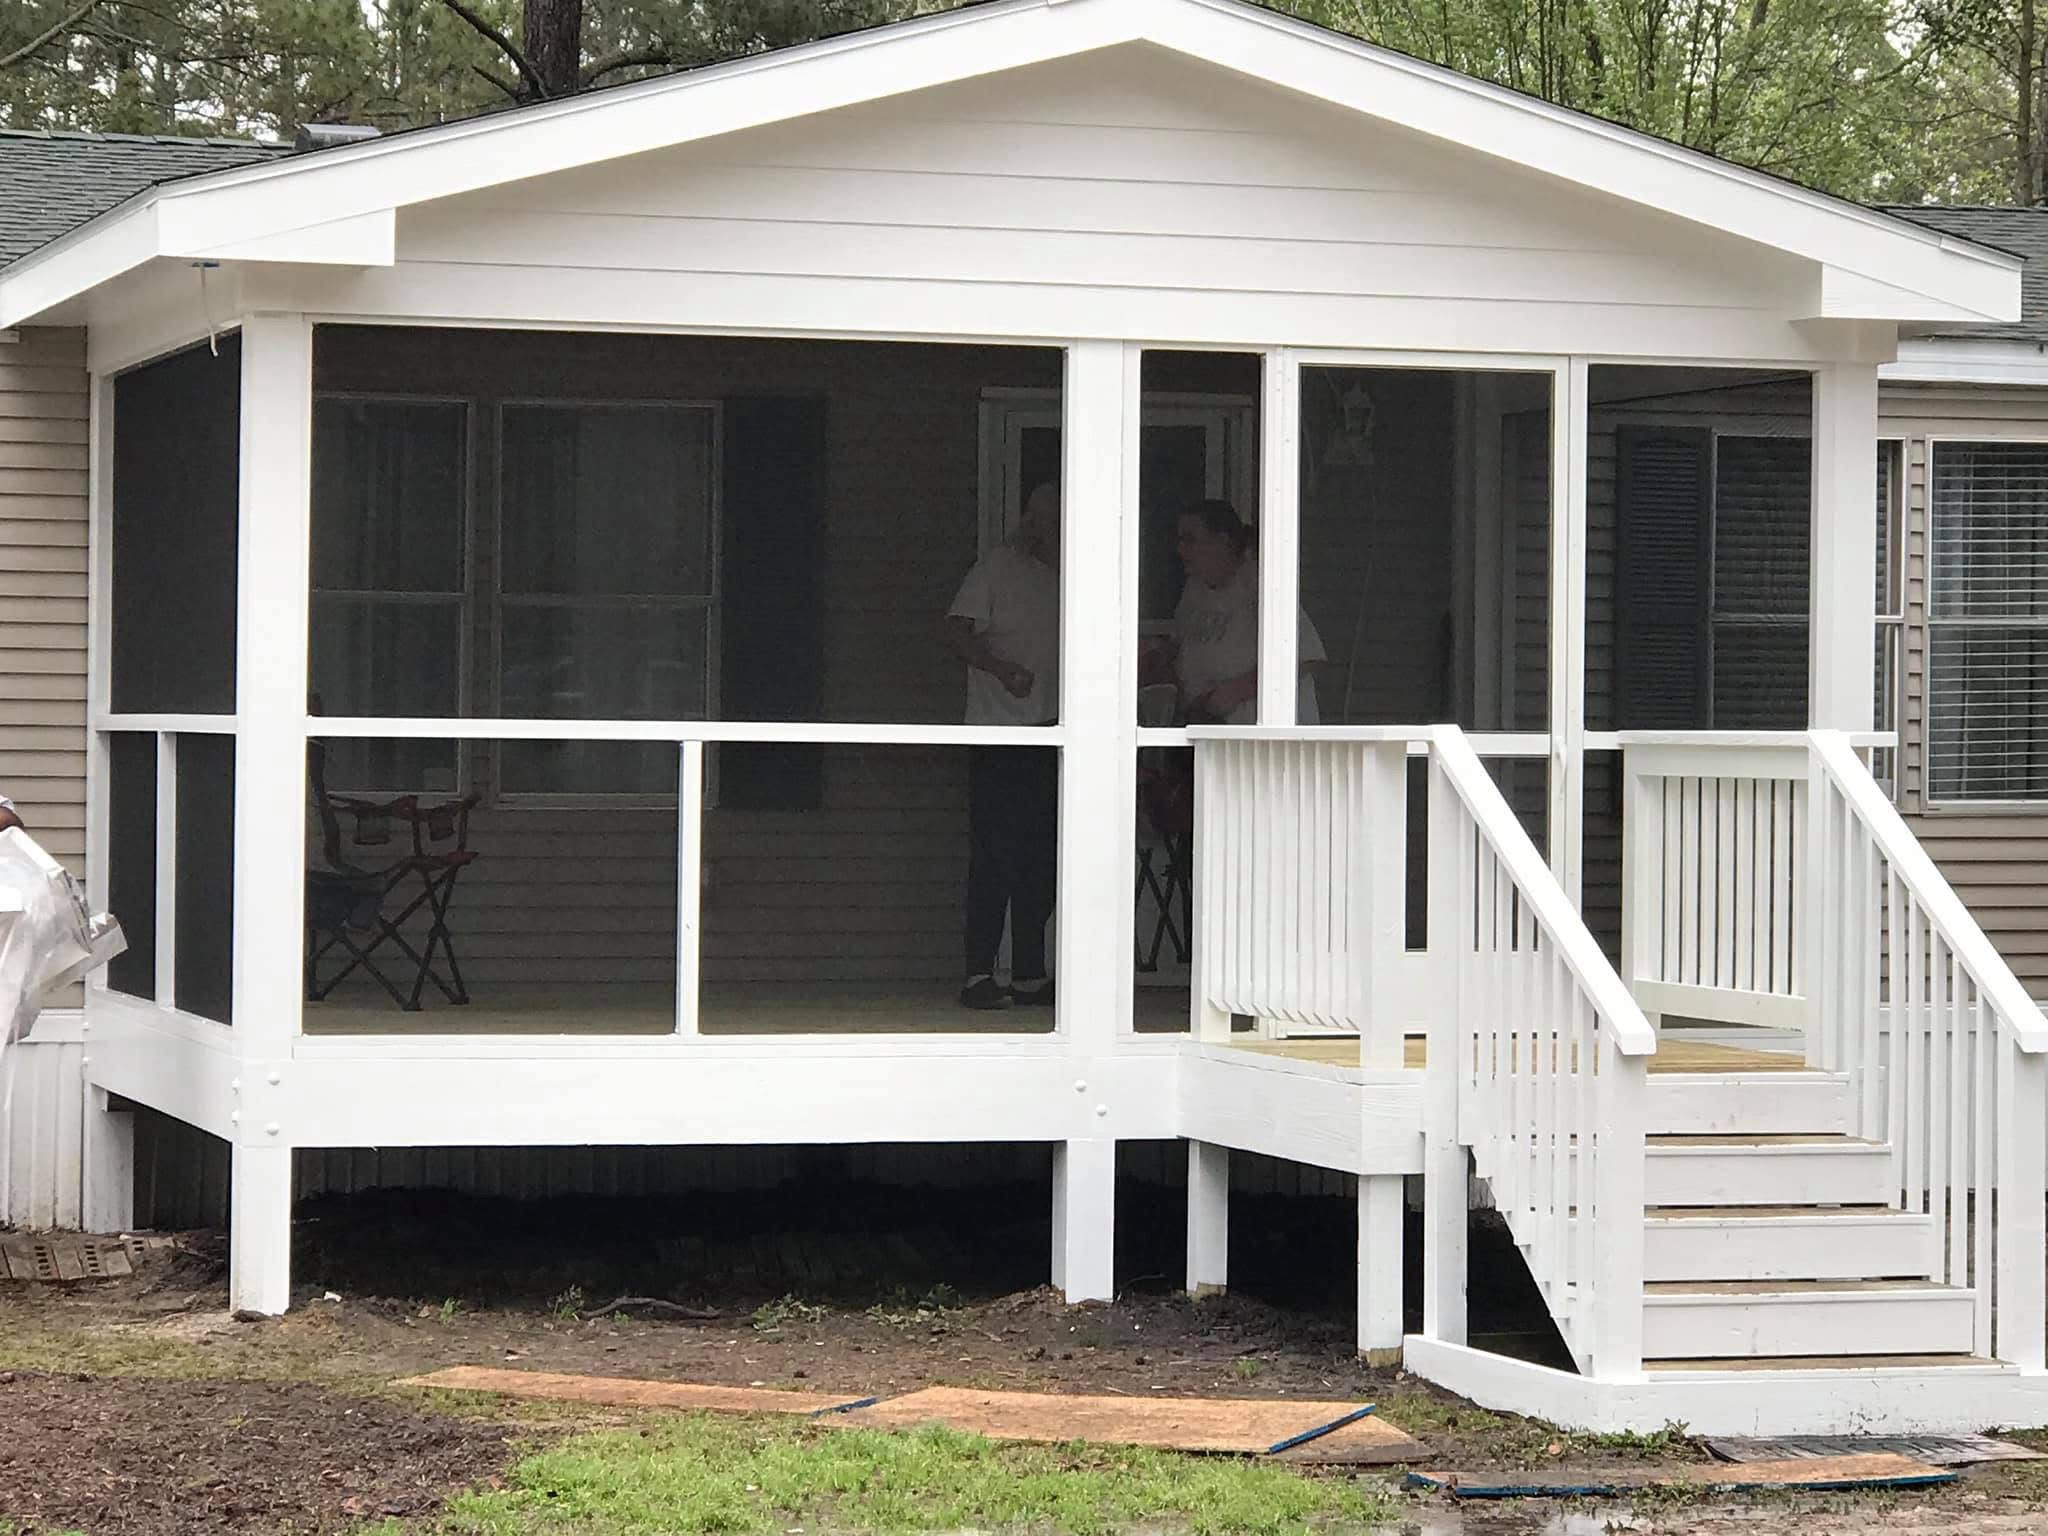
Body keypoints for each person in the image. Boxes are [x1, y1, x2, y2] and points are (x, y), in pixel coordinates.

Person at [944, 483, 1060, 1011]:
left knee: (1043, 856)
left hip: (1061, 731)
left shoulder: (1083, 569)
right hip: (999, 730)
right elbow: (959, 633)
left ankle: (1033, 973)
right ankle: (978, 974)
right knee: (996, 854)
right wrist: (1000, 668)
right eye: (1041, 514)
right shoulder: (996, 569)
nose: (1049, 525)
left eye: (1057, 515)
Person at [1170, 498, 1325, 725]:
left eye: (1190, 540)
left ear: (1221, 542)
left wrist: (1238, 690)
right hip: (1207, 735)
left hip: (1258, 740)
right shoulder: (1194, 588)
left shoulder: (1259, 585)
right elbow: (1182, 646)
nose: (1180, 549)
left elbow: (1306, 658)